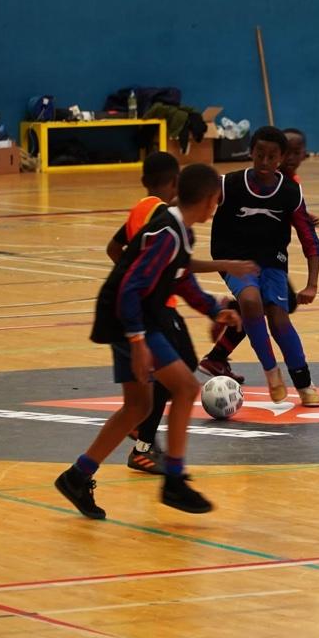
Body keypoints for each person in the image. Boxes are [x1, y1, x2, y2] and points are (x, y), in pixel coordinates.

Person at [55, 163, 244, 520]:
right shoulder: (167, 234)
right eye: (216, 200)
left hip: (136, 314)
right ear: (206, 199)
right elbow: (130, 288)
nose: (216, 206)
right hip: (130, 316)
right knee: (186, 388)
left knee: (138, 408)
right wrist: (138, 342)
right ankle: (174, 480)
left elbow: (182, 278)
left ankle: (77, 476)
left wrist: (212, 310)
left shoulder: (182, 233)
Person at [105, 152, 254, 475]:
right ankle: (145, 446)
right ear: (176, 183)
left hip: (153, 304)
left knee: (175, 373)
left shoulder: (141, 209)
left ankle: (133, 437)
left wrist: (130, 273)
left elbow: (116, 249)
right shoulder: (165, 218)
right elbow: (175, 265)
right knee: (177, 377)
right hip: (156, 309)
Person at [210, 125, 319, 407]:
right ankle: (271, 371)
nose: (264, 162)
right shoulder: (230, 183)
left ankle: (304, 382)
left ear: (280, 158)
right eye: (259, 154)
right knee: (249, 300)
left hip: (272, 261)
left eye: (271, 157)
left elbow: (309, 239)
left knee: (279, 319)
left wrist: (312, 283)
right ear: (251, 152)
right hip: (233, 257)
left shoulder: (291, 192)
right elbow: (194, 197)